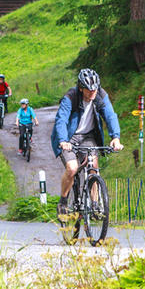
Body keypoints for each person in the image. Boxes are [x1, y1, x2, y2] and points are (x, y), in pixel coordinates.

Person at [51, 68, 123, 212]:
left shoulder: (100, 96)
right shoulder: (71, 97)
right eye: (89, 90)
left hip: (88, 137)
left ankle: (95, 204)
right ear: (81, 88)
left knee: (93, 166)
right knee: (72, 168)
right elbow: (61, 120)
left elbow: (110, 115)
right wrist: (64, 141)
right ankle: (63, 201)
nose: (92, 92)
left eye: (95, 89)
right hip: (69, 137)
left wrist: (115, 137)